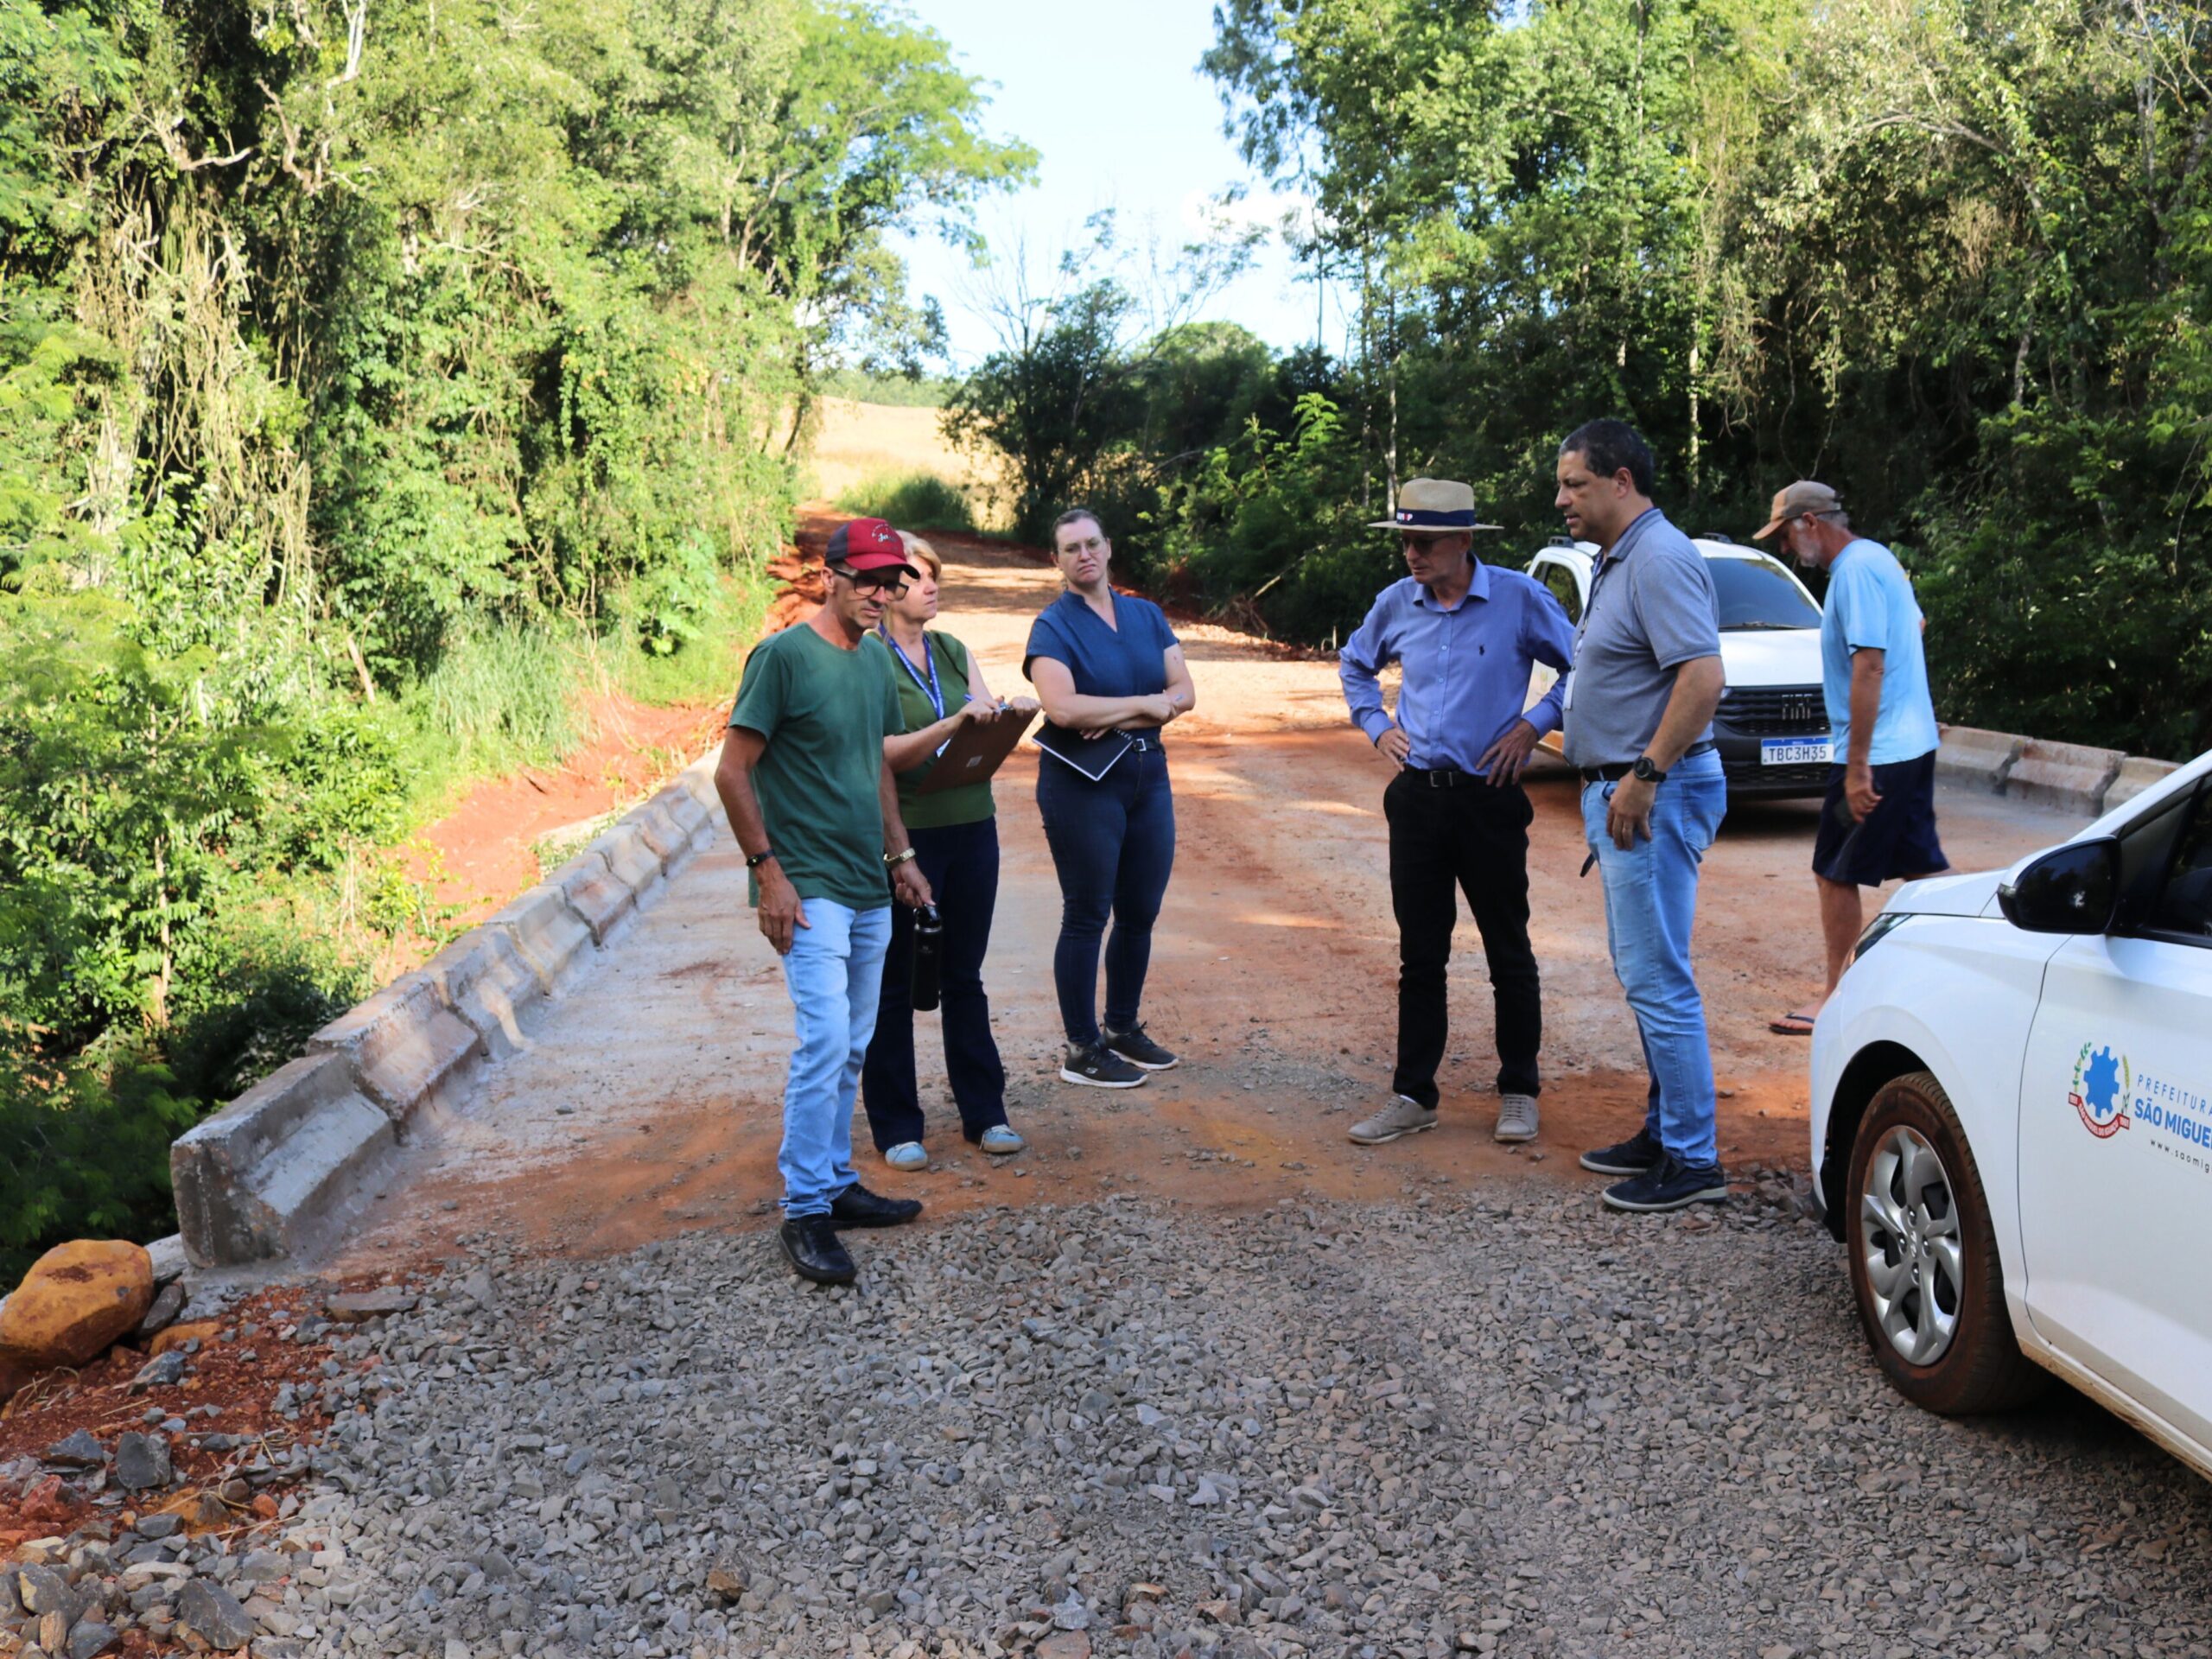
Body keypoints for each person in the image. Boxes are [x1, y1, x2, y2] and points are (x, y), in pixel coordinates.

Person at [715, 517, 935, 1286]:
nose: (882, 593)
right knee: (825, 1039)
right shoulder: (782, 658)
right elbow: (732, 771)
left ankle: (835, 1181)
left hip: (866, 880)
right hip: (806, 883)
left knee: (854, 1042)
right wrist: (768, 873)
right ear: (831, 575)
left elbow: (875, 765)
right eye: (869, 579)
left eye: (892, 582)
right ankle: (804, 1208)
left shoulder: (874, 660)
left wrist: (901, 855)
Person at [1337, 478, 1576, 1148]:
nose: (1412, 554)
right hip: (1417, 799)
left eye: (1425, 542)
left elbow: (1583, 666)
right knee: (1421, 955)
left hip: (1488, 799)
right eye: (1405, 541)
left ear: (1464, 541)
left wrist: (1534, 725)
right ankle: (1413, 1095)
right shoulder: (1397, 602)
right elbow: (1355, 665)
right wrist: (1377, 726)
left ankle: (1519, 1090)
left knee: (1508, 950)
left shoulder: (1519, 599)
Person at [1554, 420, 1732, 1214]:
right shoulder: (1620, 558)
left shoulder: (1659, 557)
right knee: (1647, 971)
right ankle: (1667, 1133)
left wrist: (1645, 774)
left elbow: (1703, 678)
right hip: (1631, 792)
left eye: (1575, 484)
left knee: (1657, 977)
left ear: (1621, 482)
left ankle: (1692, 1159)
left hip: (1654, 793)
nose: (1562, 500)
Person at [861, 532, 1037, 1168]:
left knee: (965, 974)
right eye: (917, 575)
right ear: (887, 589)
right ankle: (897, 1126)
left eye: (935, 573)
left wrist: (1007, 715)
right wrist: (952, 723)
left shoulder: (953, 649)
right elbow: (879, 753)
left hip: (972, 825)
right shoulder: (870, 657)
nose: (932, 584)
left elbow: (979, 717)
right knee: (894, 981)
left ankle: (985, 1114)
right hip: (908, 835)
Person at [1756, 481, 1948, 1036]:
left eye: (1786, 535)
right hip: (1910, 743)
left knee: (1832, 872)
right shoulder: (1879, 558)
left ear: (1811, 522)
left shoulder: (1854, 572)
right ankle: (1986, 951)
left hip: (1878, 756)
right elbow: (1915, 625)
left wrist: (1859, 765)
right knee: (1924, 869)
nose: (1786, 547)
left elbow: (1869, 664)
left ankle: (1837, 998)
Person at [1023, 506, 1197, 1088]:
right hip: (1082, 786)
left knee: (1140, 911)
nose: (1085, 555)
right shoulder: (1052, 627)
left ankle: (1121, 1027)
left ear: (1109, 546)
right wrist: (1146, 704)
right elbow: (1063, 709)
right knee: (1088, 913)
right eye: (1071, 548)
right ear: (1056, 560)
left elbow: (1185, 692)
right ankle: (1081, 1048)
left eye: (1092, 543)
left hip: (1148, 778)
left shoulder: (1146, 615)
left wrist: (1119, 710)